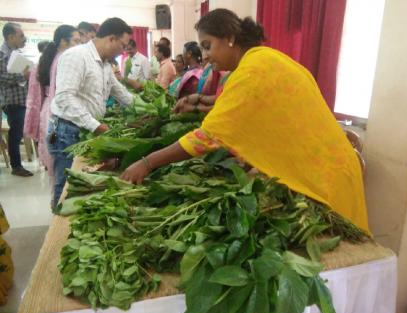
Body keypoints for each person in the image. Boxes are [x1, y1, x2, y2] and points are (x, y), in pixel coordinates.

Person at [120, 9, 369, 232]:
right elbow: (234, 109)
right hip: (327, 167)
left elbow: (207, 137)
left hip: (324, 177)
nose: (204, 55)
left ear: (229, 38)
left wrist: (147, 162)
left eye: (207, 46)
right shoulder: (262, 59)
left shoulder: (252, 70)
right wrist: (196, 102)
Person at [48, 17, 134, 207]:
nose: (123, 51)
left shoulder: (104, 64)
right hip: (67, 130)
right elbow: (65, 97)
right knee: (66, 184)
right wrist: (96, 126)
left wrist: (142, 108)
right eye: (123, 45)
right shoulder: (76, 56)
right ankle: (58, 224)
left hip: (85, 129)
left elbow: (119, 91)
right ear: (111, 39)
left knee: (82, 180)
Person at [24, 25, 80, 203]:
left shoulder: (45, 60)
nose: (78, 45)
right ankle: (59, 201)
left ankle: (56, 197)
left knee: (55, 162)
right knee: (62, 161)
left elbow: (33, 96)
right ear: (63, 41)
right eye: (76, 41)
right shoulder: (66, 60)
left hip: (46, 110)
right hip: (59, 112)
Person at [0, 22, 32, 177]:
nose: (23, 38)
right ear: (10, 36)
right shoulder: (2, 54)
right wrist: (23, 75)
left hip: (21, 99)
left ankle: (17, 165)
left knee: (18, 133)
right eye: (20, 35)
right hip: (12, 101)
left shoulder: (15, 53)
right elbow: (2, 77)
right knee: (15, 134)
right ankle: (16, 166)